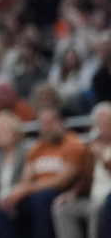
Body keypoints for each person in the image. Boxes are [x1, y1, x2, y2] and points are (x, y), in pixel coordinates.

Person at [0, 106, 88, 238]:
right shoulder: (37, 148)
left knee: (42, 199)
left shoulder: (74, 144)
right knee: (0, 207)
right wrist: (13, 195)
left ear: (61, 123)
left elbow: (61, 181)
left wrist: (25, 190)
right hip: (35, 194)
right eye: (43, 124)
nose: (47, 128)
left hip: (60, 193)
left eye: (51, 122)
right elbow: (25, 179)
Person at [52, 102, 111, 238]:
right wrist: (74, 192)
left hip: (107, 198)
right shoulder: (90, 146)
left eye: (107, 124)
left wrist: (104, 158)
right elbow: (84, 177)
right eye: (100, 125)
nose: (103, 129)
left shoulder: (98, 150)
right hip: (91, 197)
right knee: (62, 208)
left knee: (98, 208)